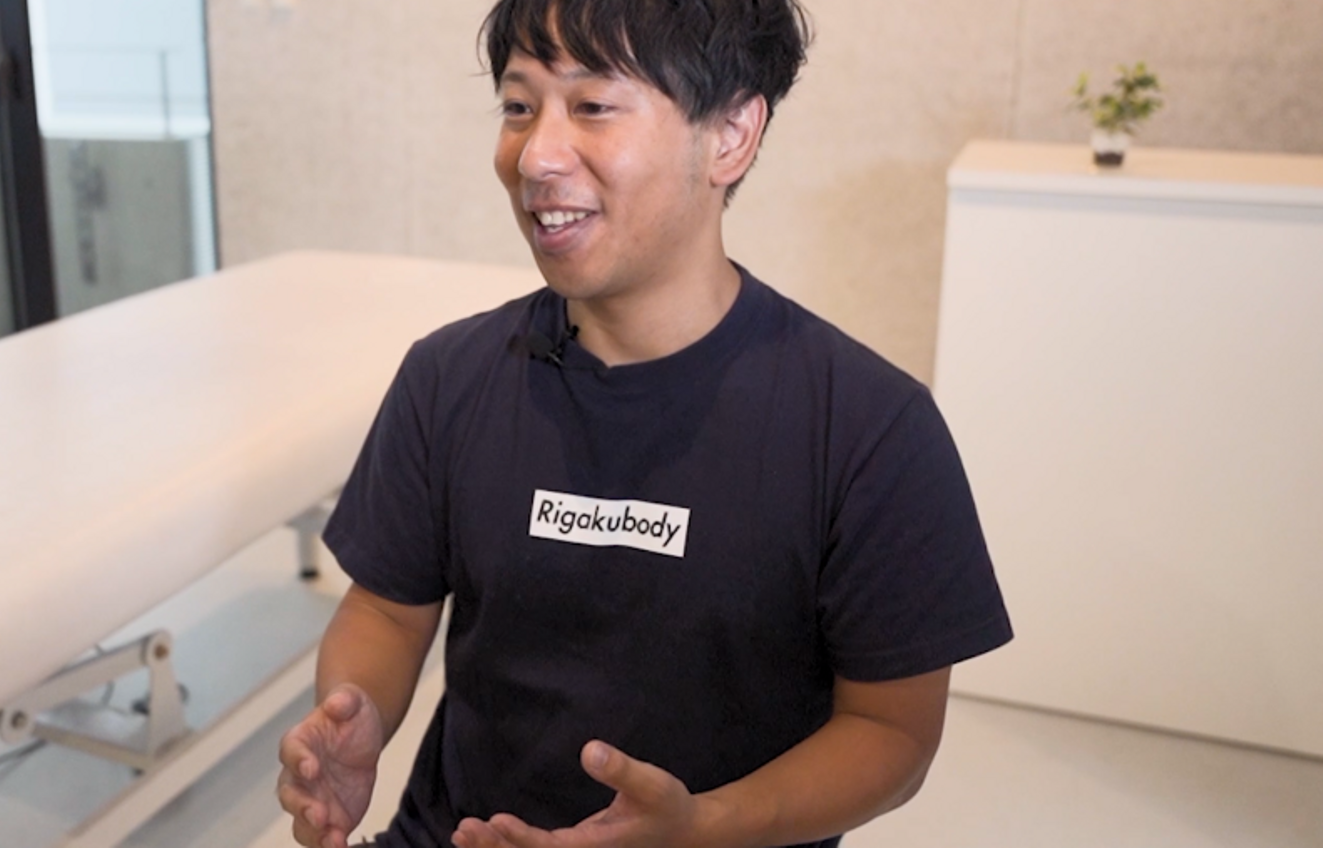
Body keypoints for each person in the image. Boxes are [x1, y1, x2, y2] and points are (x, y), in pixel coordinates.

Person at [277, 0, 1012, 846]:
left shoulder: (869, 428)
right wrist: (357, 713)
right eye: (519, 106)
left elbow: (893, 732)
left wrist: (701, 826)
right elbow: (388, 610)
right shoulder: (449, 376)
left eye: (592, 106)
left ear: (730, 135)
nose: (536, 155)